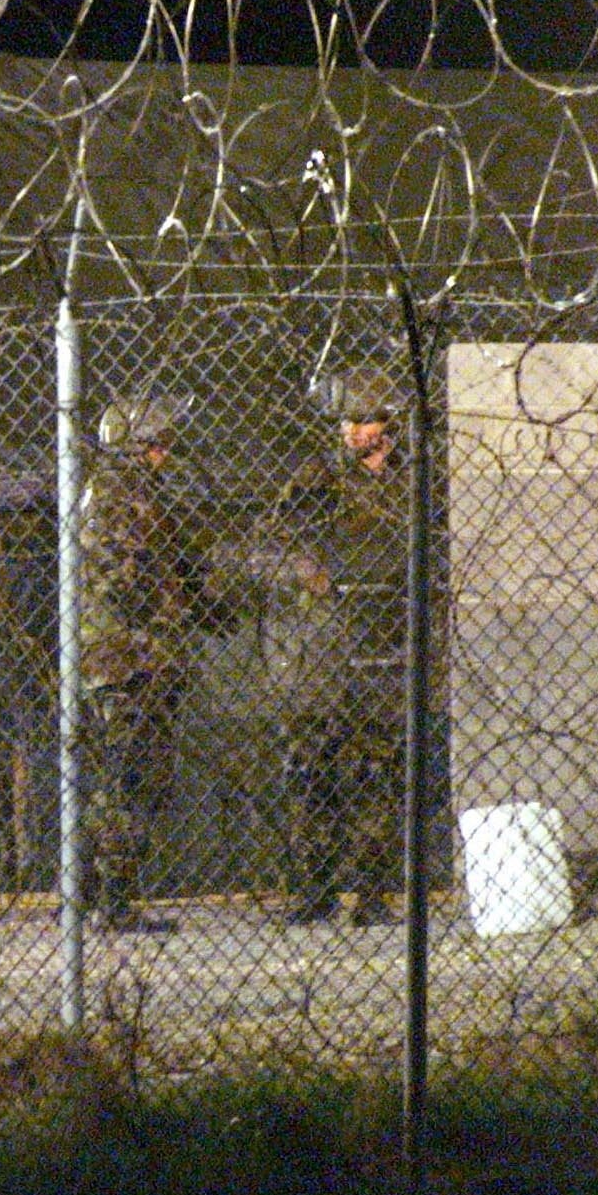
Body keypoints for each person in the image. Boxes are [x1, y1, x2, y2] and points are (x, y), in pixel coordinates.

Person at [256, 366, 411, 927]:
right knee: (311, 773)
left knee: (377, 774)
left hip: (382, 647)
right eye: (348, 422)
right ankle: (314, 890)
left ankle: (371, 894)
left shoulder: (410, 481)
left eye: (366, 420)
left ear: (388, 424)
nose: (355, 431)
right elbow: (269, 545)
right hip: (320, 651)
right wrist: (306, 568)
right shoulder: (317, 479)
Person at [77, 394, 217, 934]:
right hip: (129, 660)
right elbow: (121, 578)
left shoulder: (110, 487)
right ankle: (112, 901)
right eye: (159, 443)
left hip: (113, 656)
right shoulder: (124, 493)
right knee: (131, 778)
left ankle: (90, 896)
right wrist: (172, 599)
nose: (166, 452)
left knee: (115, 778)